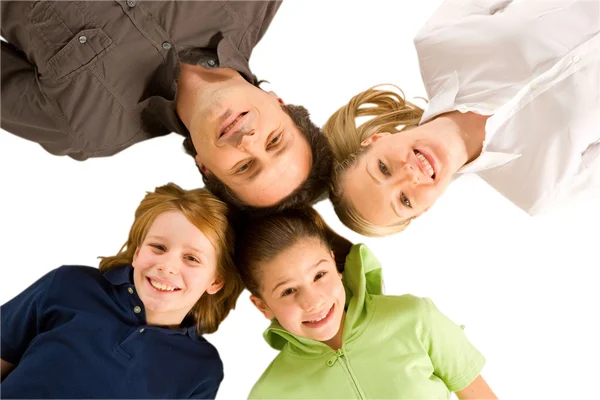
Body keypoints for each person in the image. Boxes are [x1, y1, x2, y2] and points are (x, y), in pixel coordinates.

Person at [0, 1, 332, 211]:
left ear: (205, 168)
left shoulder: (83, 126)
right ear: (281, 104)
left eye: (244, 167)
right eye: (274, 141)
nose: (248, 142)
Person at [323, 0, 600, 236]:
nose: (408, 175)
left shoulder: (439, 40)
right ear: (424, 210)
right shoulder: (542, 189)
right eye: (405, 200)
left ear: (376, 139)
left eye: (383, 168)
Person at [0, 183, 244, 398]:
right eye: (158, 247)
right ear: (137, 253)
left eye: (191, 258)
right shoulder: (69, 285)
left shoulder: (202, 369)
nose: (167, 266)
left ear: (216, 281)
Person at [235, 208, 495, 399]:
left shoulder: (416, 319)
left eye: (319, 275)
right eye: (289, 290)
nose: (313, 301)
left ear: (335, 265)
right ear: (262, 306)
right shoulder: (268, 394)